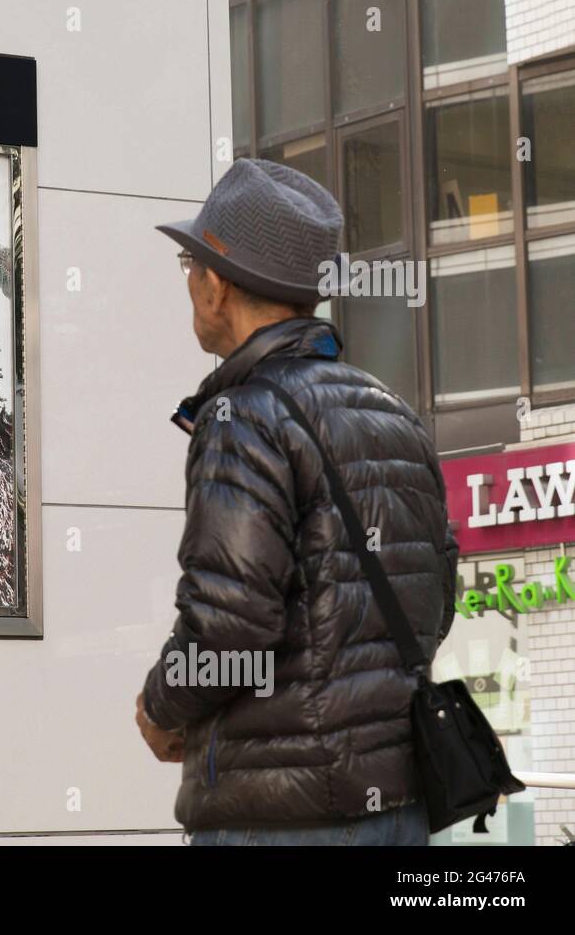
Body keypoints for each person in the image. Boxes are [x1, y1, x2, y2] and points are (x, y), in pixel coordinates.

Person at [133, 159, 457, 846]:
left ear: (217, 285)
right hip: (398, 810)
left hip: (279, 816)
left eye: (190, 266)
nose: (189, 285)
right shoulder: (393, 413)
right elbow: (437, 601)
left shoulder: (243, 416)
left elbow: (229, 624)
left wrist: (162, 709)